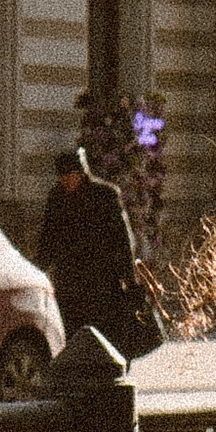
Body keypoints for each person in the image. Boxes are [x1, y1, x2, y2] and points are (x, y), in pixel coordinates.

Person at [36, 145, 146, 348]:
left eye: (70, 175)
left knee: (103, 334)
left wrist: (128, 278)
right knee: (72, 333)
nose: (66, 181)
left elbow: (121, 240)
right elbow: (48, 238)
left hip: (101, 280)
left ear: (81, 173)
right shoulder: (57, 197)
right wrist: (37, 271)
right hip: (69, 279)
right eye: (62, 177)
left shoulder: (105, 195)